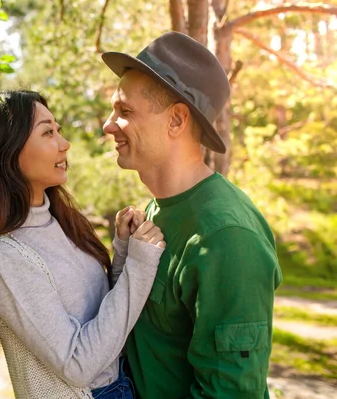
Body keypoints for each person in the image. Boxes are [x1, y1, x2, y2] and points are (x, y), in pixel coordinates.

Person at [100, 32, 283, 399]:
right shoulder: (157, 209)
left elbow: (231, 394)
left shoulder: (227, 236)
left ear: (176, 120)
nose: (108, 124)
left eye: (125, 111)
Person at [0, 90, 166, 398]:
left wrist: (123, 251)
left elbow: (104, 319)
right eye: (48, 132)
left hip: (123, 384)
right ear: (8, 151)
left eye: (59, 131)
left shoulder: (62, 223)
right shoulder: (3, 258)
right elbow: (78, 364)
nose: (64, 144)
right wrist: (140, 264)